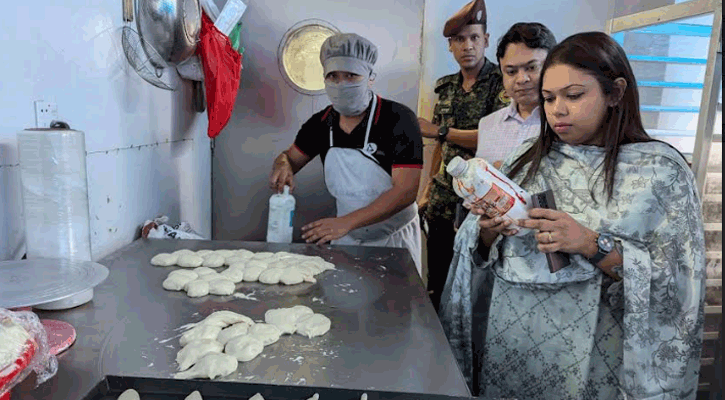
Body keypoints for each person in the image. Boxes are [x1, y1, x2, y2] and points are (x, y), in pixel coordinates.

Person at [439, 31, 706, 399]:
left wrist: (590, 243)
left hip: (598, 355)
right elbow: (477, 256)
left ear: (615, 92)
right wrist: (488, 232)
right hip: (513, 345)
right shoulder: (528, 156)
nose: (556, 110)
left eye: (574, 96)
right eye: (548, 98)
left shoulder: (660, 171)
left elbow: (679, 286)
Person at [269, 33, 424, 275]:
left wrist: (346, 223)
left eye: (351, 75)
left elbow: (406, 191)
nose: (341, 84)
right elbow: (289, 158)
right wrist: (282, 164)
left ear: (370, 78)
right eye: (333, 76)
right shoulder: (320, 124)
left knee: (395, 308)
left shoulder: (398, 119)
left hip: (393, 240)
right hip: (346, 239)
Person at [417, 0, 507, 311]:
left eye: (473, 38)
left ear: (486, 40)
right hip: (444, 198)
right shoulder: (444, 88)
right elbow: (440, 147)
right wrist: (428, 187)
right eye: (459, 40)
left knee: (475, 286)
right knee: (438, 281)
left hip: (482, 202)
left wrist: (439, 131)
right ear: (450, 46)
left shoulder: (503, 85)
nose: (467, 46)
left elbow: (496, 138)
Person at [475, 23, 556, 168]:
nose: (521, 79)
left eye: (532, 67)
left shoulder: (565, 124)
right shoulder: (488, 124)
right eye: (511, 72)